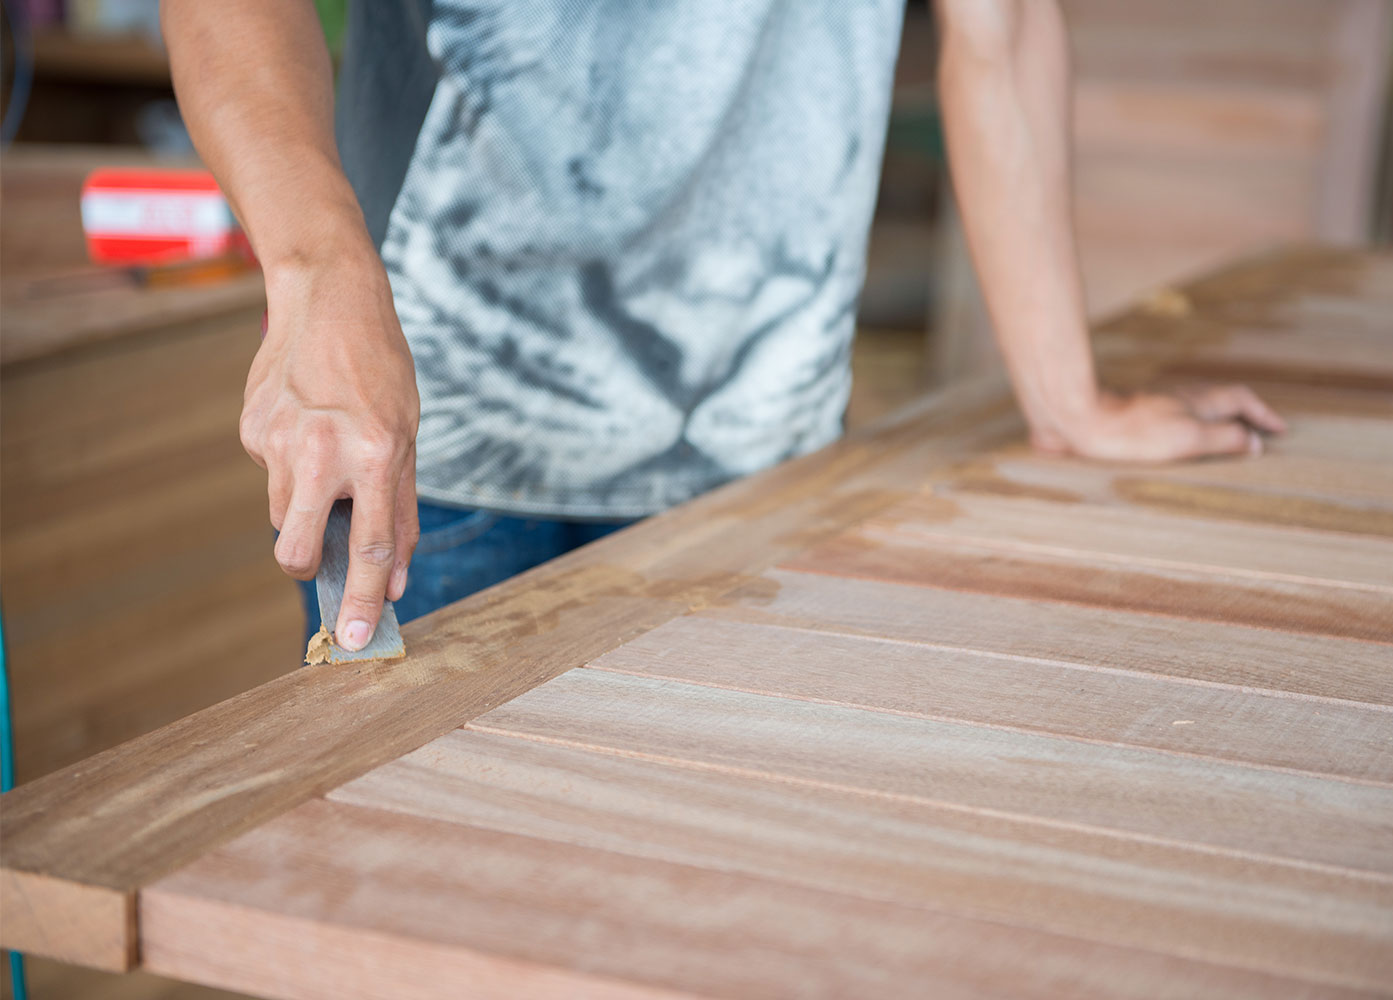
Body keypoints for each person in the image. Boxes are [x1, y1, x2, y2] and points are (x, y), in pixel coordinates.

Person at [161, 0, 1286, 653]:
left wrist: (1067, 398)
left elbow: (1005, 25)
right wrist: (317, 268)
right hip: (441, 429)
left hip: (770, 445)